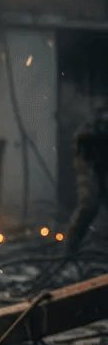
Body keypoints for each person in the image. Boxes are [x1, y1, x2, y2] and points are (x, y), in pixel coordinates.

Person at [64, 105, 108, 253]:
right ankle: (70, 248)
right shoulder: (91, 129)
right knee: (89, 204)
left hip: (101, 165)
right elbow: (81, 148)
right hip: (89, 162)